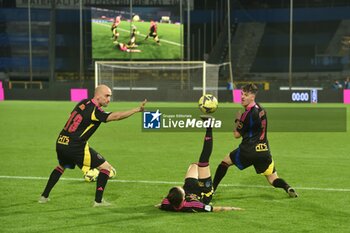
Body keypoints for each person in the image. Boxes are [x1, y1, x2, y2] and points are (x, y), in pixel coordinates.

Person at [39, 85, 147, 206]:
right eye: (106, 96)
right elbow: (116, 116)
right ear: (98, 95)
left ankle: (44, 196)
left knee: (62, 166)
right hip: (75, 146)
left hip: (61, 141)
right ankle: (98, 201)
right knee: (106, 168)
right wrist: (136, 110)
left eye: (110, 96)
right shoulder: (95, 111)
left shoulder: (83, 102)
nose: (109, 99)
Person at [213, 83, 298, 198]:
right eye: (242, 94)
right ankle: (287, 187)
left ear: (252, 97)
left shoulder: (246, 114)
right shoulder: (262, 109)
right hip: (264, 150)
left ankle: (212, 189)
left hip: (248, 150)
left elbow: (236, 135)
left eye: (246, 95)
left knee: (225, 162)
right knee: (273, 179)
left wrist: (237, 120)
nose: (242, 97)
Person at [157, 123, 242, 212]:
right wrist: (234, 208)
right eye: (180, 189)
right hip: (204, 191)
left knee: (194, 165)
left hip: (189, 187)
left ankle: (201, 170)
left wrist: (159, 205)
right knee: (203, 161)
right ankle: (209, 127)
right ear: (183, 198)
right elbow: (214, 209)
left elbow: (163, 204)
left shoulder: (166, 203)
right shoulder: (194, 205)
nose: (180, 187)